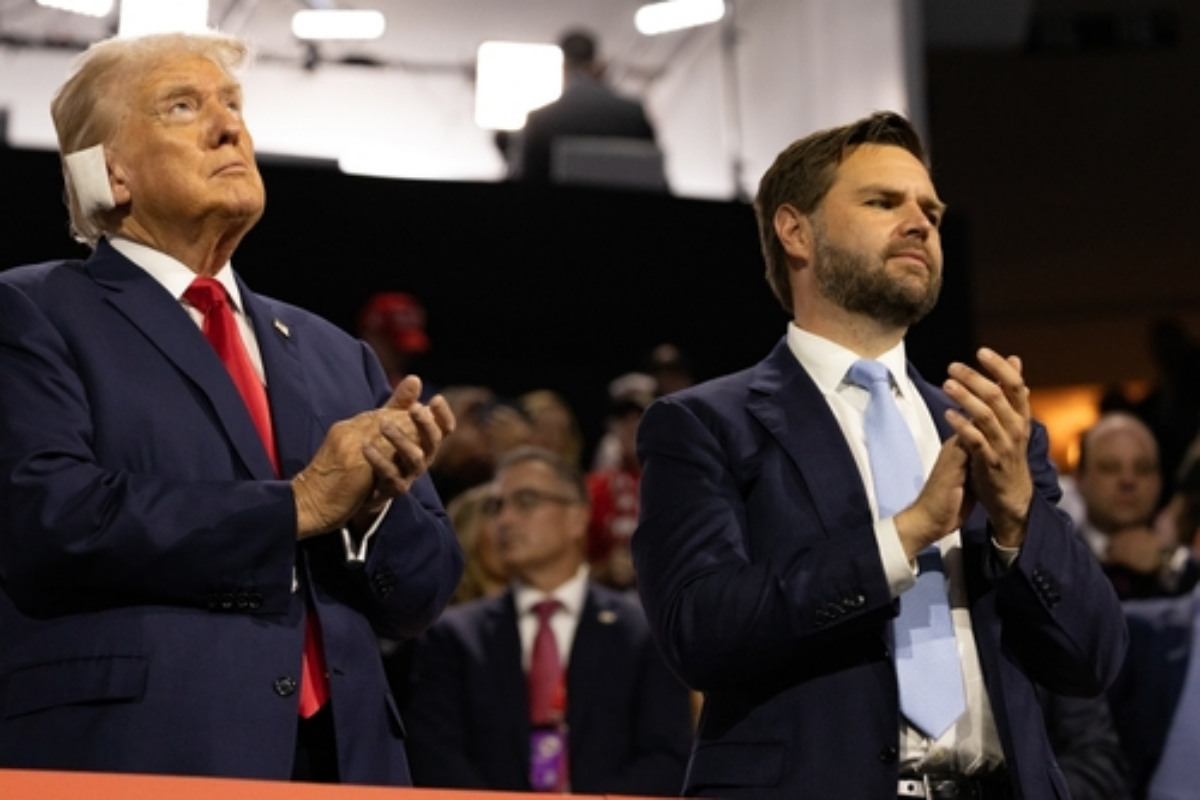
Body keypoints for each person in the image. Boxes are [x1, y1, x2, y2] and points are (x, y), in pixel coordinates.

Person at [0, 32, 463, 785]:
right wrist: (298, 506)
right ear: (110, 172)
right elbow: (50, 520)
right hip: (146, 753)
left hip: (347, 763)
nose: (228, 128)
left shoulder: (335, 352)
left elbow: (421, 596)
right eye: (182, 108)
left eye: (233, 105)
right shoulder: (33, 311)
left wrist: (372, 510)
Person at [631, 111, 1127, 798]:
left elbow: (1093, 657)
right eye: (883, 202)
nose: (920, 223)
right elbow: (699, 632)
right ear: (795, 231)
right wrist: (906, 534)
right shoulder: (705, 426)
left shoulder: (989, 430)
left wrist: (1018, 518)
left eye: (931, 211)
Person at [403, 446, 693, 794]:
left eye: (526, 501)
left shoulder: (642, 633)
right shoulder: (455, 637)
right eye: (497, 506)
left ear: (577, 518)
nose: (504, 520)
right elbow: (434, 754)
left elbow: (666, 756)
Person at [1074, 412, 1198, 599]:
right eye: (1110, 468)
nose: (1128, 480)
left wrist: (1166, 561)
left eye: (1143, 469)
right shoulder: (1055, 558)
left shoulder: (1183, 563)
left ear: (1159, 481)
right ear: (1079, 480)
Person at [508, 28, 657, 183]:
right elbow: (653, 175)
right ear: (597, 66)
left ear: (564, 67)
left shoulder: (540, 121)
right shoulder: (634, 113)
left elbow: (524, 179)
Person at [356, 291, 431, 390]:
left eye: (405, 352)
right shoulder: (347, 381)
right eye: (394, 349)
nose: (401, 359)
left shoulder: (416, 388)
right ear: (371, 336)